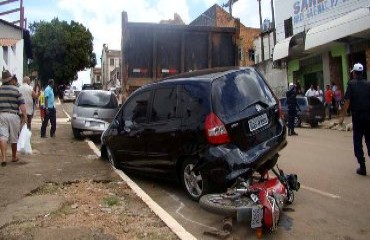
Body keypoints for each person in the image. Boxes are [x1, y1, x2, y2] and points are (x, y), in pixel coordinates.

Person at [339, 63, 370, 176]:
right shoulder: (368, 84)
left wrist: (342, 117)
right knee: (369, 139)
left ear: (354, 73)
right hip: (368, 116)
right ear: (361, 72)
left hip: (357, 117)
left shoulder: (351, 84)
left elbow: (347, 101)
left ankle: (362, 167)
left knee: (357, 141)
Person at [0, 70, 27, 166]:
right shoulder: (16, 90)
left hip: (2, 115)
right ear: (10, 79)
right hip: (14, 115)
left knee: (3, 136)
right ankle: (14, 156)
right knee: (14, 138)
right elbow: (22, 105)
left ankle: (3, 158)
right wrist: (25, 116)